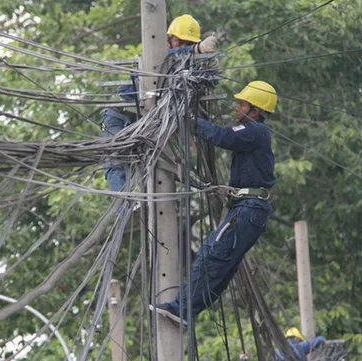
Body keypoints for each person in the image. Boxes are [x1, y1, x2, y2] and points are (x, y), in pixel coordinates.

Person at [150, 80, 278, 325]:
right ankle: (185, 311)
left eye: (241, 104)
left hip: (248, 208)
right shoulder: (253, 135)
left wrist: (189, 118)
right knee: (220, 267)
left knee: (212, 256)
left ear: (255, 110)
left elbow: (222, 136)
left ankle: (181, 310)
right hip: (247, 209)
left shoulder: (255, 131)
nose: (235, 108)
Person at [101, 14, 218, 192]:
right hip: (121, 116)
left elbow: (203, 85)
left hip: (148, 125)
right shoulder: (156, 57)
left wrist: (211, 70)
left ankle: (141, 206)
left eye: (189, 44)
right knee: (115, 161)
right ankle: (126, 206)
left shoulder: (185, 70)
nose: (185, 47)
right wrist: (196, 51)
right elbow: (168, 58)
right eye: (181, 42)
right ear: (169, 40)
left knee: (156, 165)